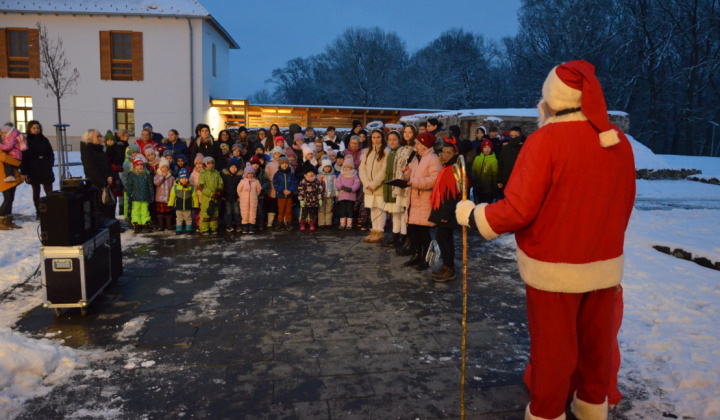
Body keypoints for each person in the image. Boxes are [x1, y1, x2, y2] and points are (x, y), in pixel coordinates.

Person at [456, 60, 636, 420]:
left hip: (553, 267)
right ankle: (591, 406)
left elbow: (518, 210)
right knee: (596, 346)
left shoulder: (546, 140)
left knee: (554, 351)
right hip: (603, 265)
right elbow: (625, 200)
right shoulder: (618, 142)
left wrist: (474, 215)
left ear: (551, 101)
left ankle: (547, 412)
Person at [402, 132, 441, 271]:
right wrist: (406, 173)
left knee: (423, 232)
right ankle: (416, 254)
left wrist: (412, 182)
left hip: (424, 200)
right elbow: (412, 176)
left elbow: (434, 180)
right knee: (413, 230)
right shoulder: (417, 158)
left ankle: (426, 257)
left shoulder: (433, 159)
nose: (415, 146)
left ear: (425, 145)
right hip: (413, 199)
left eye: (418, 143)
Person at [428, 142, 463, 282]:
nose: (445, 155)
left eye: (449, 152)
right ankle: (447, 266)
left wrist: (445, 215)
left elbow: (452, 195)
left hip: (448, 212)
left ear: (455, 154)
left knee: (442, 238)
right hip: (444, 210)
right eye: (443, 151)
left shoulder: (454, 170)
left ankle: (449, 268)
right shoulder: (446, 168)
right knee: (447, 239)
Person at [358, 129, 388, 243]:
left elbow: (384, 170)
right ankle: (374, 230)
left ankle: (380, 231)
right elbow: (362, 168)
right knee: (373, 208)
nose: (376, 140)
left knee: (380, 209)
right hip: (368, 187)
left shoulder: (386, 151)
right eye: (374, 137)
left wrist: (374, 184)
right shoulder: (367, 151)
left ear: (382, 138)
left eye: (378, 137)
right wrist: (367, 183)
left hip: (379, 186)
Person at [382, 130, 411, 247]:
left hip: (400, 185)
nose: (392, 142)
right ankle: (395, 235)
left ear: (399, 140)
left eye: (394, 140)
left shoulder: (401, 151)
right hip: (392, 185)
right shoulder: (390, 152)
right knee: (395, 213)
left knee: (402, 212)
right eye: (390, 140)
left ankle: (402, 235)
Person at [21, 121, 55, 217]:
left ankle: (51, 209)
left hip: (45, 167)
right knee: (36, 191)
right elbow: (24, 158)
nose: (36, 130)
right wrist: (24, 172)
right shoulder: (26, 141)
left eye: (37, 128)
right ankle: (39, 211)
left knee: (49, 190)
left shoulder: (44, 140)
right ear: (30, 129)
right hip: (33, 168)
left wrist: (50, 162)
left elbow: (50, 153)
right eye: (34, 128)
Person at [80, 129, 115, 219]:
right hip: (96, 184)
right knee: (99, 208)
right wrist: (103, 181)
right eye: (97, 136)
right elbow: (91, 169)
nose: (100, 138)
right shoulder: (87, 150)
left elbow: (107, 164)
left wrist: (110, 176)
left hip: (106, 182)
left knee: (109, 205)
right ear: (90, 138)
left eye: (100, 136)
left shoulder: (99, 149)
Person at [0, 125, 23, 230]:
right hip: (3, 176)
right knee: (8, 198)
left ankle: (8, 221)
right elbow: (5, 158)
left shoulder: (5, 142)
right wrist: (18, 163)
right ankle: (1, 220)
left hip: (10, 175)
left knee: (11, 198)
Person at [125, 157, 154, 233]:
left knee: (145, 210)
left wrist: (151, 194)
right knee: (136, 211)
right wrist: (128, 195)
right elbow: (129, 186)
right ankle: (136, 223)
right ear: (134, 166)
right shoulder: (132, 175)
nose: (140, 166)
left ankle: (145, 223)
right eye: (138, 165)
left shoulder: (146, 175)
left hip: (145, 196)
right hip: (135, 197)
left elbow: (150, 185)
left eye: (141, 165)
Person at [496, 126, 525, 200]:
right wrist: (499, 180)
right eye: (511, 136)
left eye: (515, 136)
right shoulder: (505, 149)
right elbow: (501, 164)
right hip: (506, 181)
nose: (513, 138)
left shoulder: (523, 148)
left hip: (519, 182)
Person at [197, 156, 223, 235]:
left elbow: (220, 183)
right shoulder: (203, 174)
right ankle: (204, 228)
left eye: (212, 163)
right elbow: (201, 186)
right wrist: (211, 194)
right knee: (206, 214)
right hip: (207, 198)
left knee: (214, 214)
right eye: (208, 163)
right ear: (205, 164)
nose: (211, 165)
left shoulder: (216, 173)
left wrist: (218, 191)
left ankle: (213, 228)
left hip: (215, 197)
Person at [168, 168, 198, 235]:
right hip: (178, 206)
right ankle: (179, 229)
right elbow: (172, 196)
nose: (184, 180)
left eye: (186, 178)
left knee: (188, 218)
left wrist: (195, 205)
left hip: (188, 206)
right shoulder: (175, 187)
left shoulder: (191, 187)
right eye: (182, 178)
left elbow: (195, 197)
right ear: (179, 179)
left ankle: (189, 229)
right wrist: (170, 204)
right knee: (179, 219)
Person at [273, 156, 298, 231]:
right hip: (281, 195)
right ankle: (280, 223)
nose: (284, 165)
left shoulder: (291, 174)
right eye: (283, 163)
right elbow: (275, 184)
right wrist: (283, 190)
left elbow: (294, 183)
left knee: (289, 210)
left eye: (286, 163)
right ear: (280, 164)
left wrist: (290, 190)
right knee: (281, 210)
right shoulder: (277, 174)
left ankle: (289, 223)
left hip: (289, 195)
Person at [334, 157, 360, 230]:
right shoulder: (341, 175)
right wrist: (341, 187)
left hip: (351, 196)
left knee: (349, 210)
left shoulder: (354, 175)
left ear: (351, 167)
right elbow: (337, 183)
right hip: (342, 196)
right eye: (344, 167)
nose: (346, 169)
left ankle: (349, 224)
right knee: (343, 210)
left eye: (348, 167)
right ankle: (342, 224)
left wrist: (352, 189)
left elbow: (357, 184)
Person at [470, 139, 498, 204]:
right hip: (477, 188)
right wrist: (474, 182)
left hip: (488, 189)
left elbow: (494, 174)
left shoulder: (493, 160)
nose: (487, 149)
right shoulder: (477, 158)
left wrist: (494, 188)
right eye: (485, 147)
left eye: (489, 147)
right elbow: (473, 171)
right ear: (482, 148)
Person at [297, 167, 324, 232]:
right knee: (304, 214)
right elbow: (300, 191)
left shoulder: (316, 181)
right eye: (309, 172)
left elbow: (319, 190)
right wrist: (301, 199)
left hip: (314, 201)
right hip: (305, 201)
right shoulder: (303, 181)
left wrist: (320, 198)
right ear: (306, 173)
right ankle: (302, 224)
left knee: (313, 214)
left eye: (312, 172)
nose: (311, 174)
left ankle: (312, 225)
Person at [237, 163, 262, 234]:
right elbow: (239, 190)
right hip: (244, 201)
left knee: (252, 213)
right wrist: (242, 197)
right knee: (244, 213)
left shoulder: (256, 182)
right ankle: (245, 227)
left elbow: (258, 190)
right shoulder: (242, 182)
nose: (250, 175)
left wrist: (254, 195)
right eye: (249, 173)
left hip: (253, 200)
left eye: (252, 173)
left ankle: (251, 227)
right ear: (246, 174)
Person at [221, 157, 243, 233]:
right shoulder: (225, 175)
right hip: (227, 197)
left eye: (235, 167)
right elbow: (223, 186)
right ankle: (228, 224)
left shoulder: (239, 176)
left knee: (237, 212)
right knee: (228, 212)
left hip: (236, 198)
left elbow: (241, 188)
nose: (233, 169)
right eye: (232, 167)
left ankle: (238, 225)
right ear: (229, 167)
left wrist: (240, 197)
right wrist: (223, 196)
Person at [153, 157, 175, 231]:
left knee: (168, 213)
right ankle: (161, 225)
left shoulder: (171, 177)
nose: (165, 169)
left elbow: (173, 187)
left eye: (166, 167)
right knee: (160, 213)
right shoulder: (157, 175)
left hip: (168, 198)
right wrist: (162, 176)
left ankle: (169, 225)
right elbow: (157, 183)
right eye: (163, 167)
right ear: (160, 168)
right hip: (160, 198)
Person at [250, 155, 270, 232]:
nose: (256, 165)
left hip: (260, 195)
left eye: (257, 164)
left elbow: (266, 182)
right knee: (252, 210)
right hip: (252, 196)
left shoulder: (262, 172)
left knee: (260, 210)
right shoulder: (249, 173)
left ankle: (260, 224)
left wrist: (262, 187)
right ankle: (253, 223)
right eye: (254, 164)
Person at [316, 159, 337, 228]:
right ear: (322, 167)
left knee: (329, 209)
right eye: (325, 167)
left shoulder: (333, 176)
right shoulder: (319, 176)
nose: (327, 168)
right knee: (321, 209)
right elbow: (317, 186)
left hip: (330, 195)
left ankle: (328, 223)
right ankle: (321, 223)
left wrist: (336, 193)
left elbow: (335, 185)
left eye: (329, 167)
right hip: (321, 196)